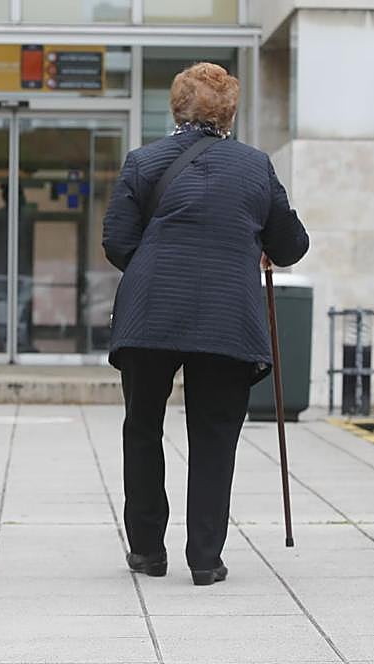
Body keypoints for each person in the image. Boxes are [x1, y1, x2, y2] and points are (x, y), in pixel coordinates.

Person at [101, 62, 309, 587]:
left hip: (150, 312)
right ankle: (205, 558)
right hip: (226, 315)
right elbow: (291, 246)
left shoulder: (143, 162)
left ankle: (147, 551)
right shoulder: (255, 167)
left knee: (142, 426)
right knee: (215, 433)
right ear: (230, 114)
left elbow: (117, 241)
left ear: (176, 108)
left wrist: (158, 267)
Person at [0, 182, 35, 352]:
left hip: (1, 271)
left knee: (3, 309)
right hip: (20, 271)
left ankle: (5, 343)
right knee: (19, 310)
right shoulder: (25, 217)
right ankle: (17, 343)